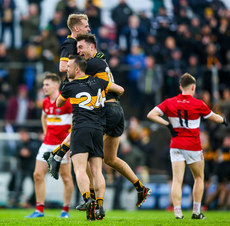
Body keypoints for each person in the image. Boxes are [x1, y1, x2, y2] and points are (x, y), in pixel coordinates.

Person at [48, 33, 151, 209]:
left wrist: (69, 44)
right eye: (77, 48)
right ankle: (140, 187)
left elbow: (68, 69)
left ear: (92, 48)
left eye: (81, 47)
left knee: (84, 146)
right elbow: (119, 90)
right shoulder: (99, 62)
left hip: (107, 110)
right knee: (110, 159)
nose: (78, 51)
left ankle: (90, 198)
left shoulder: (91, 63)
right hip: (117, 110)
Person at [147, 73, 228, 219]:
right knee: (199, 177)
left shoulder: (169, 102)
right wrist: (223, 120)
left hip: (176, 145)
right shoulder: (198, 103)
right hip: (193, 146)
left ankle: (178, 213)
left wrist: (168, 125)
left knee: (177, 180)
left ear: (180, 87)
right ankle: (196, 212)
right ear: (193, 88)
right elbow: (214, 118)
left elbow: (151, 115)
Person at [56, 55, 124, 220]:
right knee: (97, 171)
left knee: (79, 169)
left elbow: (58, 103)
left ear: (77, 69)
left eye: (69, 66)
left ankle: (88, 200)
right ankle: (100, 206)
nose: (66, 68)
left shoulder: (69, 86)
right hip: (98, 129)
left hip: (80, 129)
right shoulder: (98, 82)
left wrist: (66, 84)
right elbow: (120, 89)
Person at [26, 73, 74, 218]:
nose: (44, 87)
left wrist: (67, 145)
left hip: (62, 145)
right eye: (43, 85)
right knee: (37, 174)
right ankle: (39, 210)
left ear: (55, 85)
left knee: (66, 177)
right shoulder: (46, 102)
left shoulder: (66, 102)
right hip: (47, 143)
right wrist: (46, 133)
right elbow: (44, 117)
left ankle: (65, 210)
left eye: (47, 84)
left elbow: (75, 123)